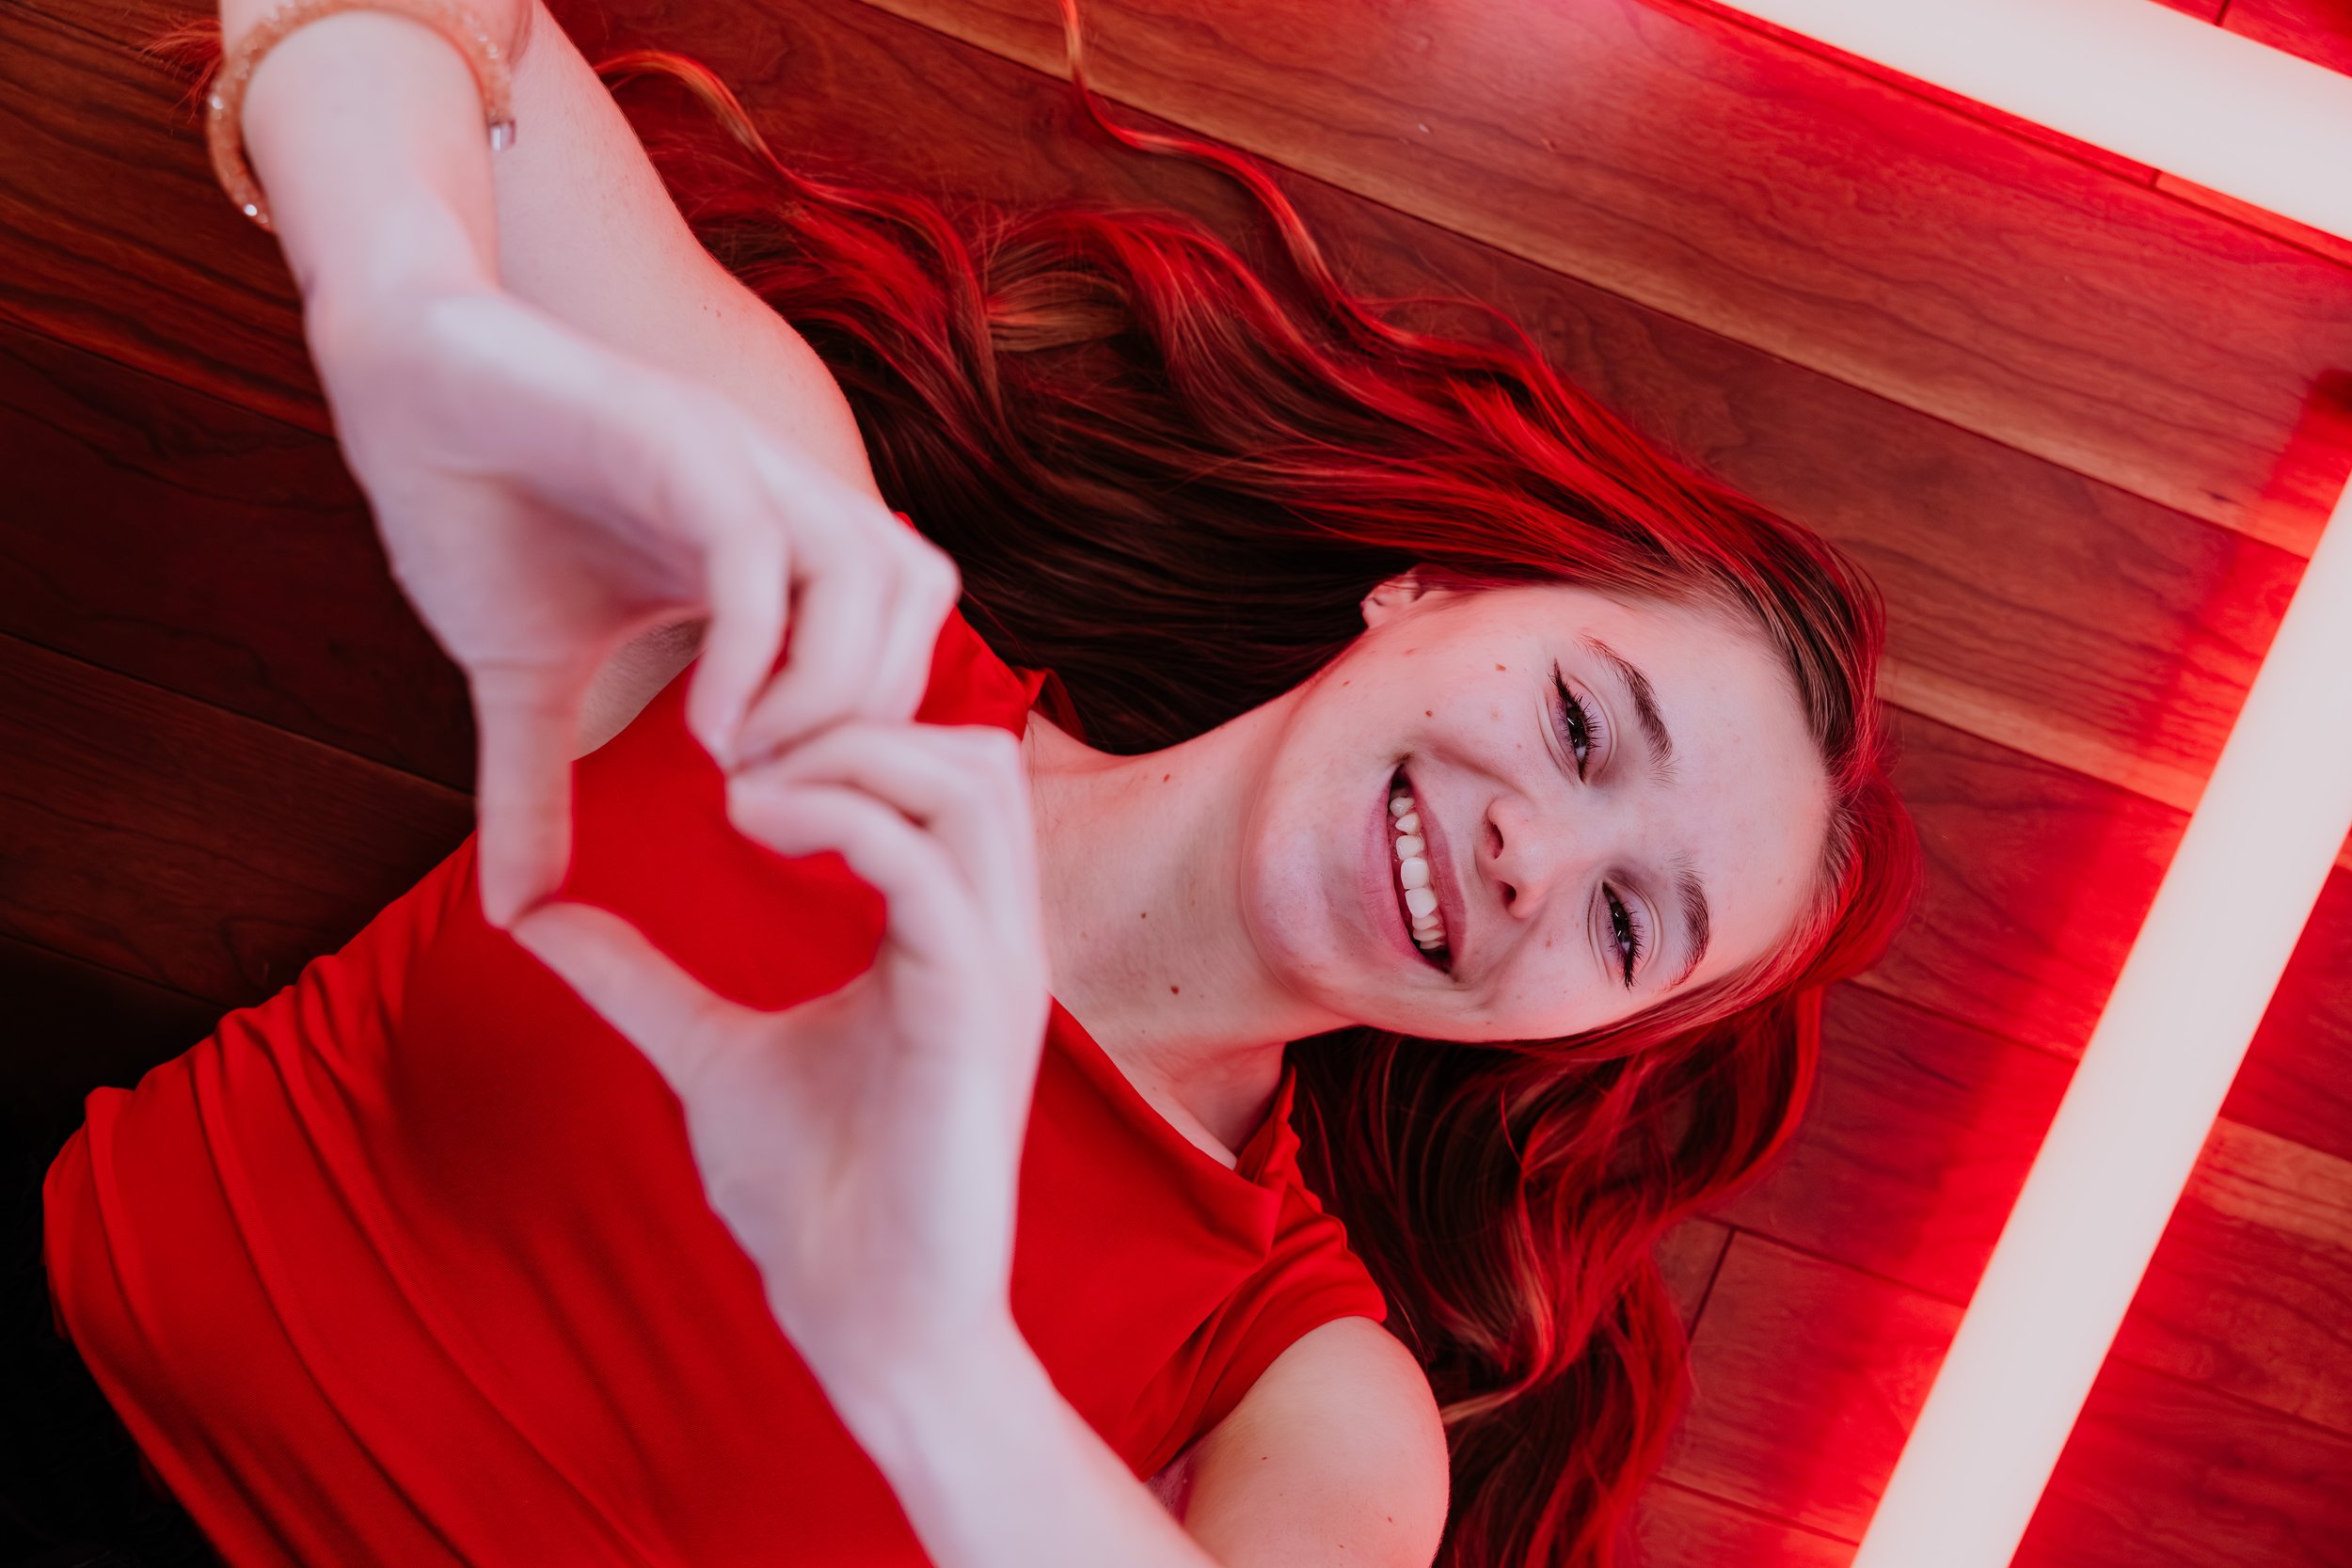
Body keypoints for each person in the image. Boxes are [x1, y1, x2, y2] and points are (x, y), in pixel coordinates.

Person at [3, 0, 1919, 1563]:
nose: (1532, 852)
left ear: (1562, 1039)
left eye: (1619, 920)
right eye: (1584, 727)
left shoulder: (1299, 1384)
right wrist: (406, 288)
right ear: (1425, 591)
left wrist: (920, 1343)